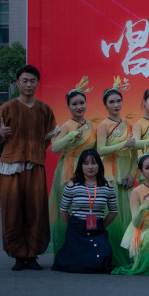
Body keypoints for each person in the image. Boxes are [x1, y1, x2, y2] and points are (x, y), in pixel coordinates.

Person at [0, 65, 58, 270]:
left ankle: (33, 254)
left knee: (36, 210)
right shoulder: (8, 107)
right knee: (12, 211)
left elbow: (48, 137)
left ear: (37, 83)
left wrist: (35, 151)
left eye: (32, 81)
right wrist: (0, 133)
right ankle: (18, 255)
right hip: (11, 166)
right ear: (18, 83)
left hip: (35, 165)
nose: (29, 84)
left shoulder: (44, 109)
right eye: (25, 81)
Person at [48, 77, 97, 256]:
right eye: (74, 104)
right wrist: (70, 136)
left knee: (89, 210)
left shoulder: (92, 126)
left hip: (89, 172)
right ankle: (67, 251)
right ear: (68, 106)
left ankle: (88, 250)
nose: (79, 107)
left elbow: (96, 152)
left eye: (82, 103)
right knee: (68, 212)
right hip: (68, 172)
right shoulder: (66, 126)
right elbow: (54, 148)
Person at [52, 149, 117, 273]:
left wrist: (101, 225)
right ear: (80, 166)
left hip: (97, 229)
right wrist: (72, 226)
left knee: (104, 258)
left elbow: (114, 211)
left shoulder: (107, 186)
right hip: (76, 230)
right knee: (76, 262)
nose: (90, 167)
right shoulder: (72, 185)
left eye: (94, 163)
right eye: (86, 163)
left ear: (99, 165)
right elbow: (63, 210)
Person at [96, 77, 135, 267]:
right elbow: (100, 150)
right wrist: (122, 144)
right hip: (109, 174)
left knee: (128, 217)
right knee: (113, 217)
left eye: (118, 101)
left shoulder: (128, 123)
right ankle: (109, 257)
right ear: (105, 105)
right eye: (111, 102)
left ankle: (127, 256)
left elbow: (134, 151)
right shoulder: (103, 125)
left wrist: (132, 173)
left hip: (126, 173)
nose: (116, 105)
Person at [113, 153, 149, 275]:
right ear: (141, 172)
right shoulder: (137, 192)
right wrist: (142, 209)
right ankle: (141, 255)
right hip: (142, 233)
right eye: (147, 168)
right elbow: (136, 223)